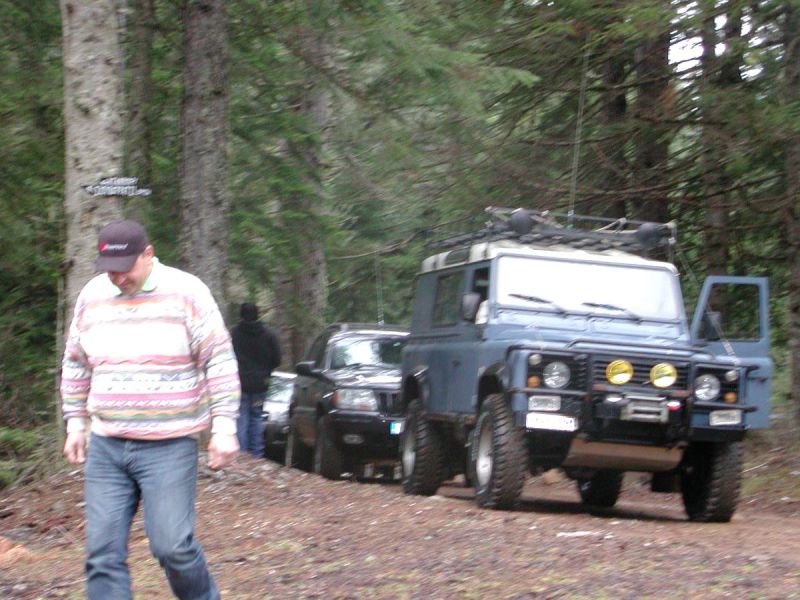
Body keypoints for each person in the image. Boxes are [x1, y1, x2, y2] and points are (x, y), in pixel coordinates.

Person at [60, 219, 240, 600]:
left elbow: (219, 360)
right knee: (102, 553)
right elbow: (76, 361)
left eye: (126, 268)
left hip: (169, 445)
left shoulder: (187, 292)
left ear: (148, 254)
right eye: (110, 269)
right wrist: (76, 422)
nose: (118, 277)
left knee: (172, 547)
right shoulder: (93, 295)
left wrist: (224, 426)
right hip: (107, 444)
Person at [230, 302, 282, 457]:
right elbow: (277, 359)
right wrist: (265, 371)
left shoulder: (234, 335)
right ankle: (257, 455)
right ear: (258, 314)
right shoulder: (269, 335)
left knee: (242, 418)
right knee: (256, 417)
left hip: (240, 384)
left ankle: (242, 454)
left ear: (241, 315)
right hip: (260, 384)